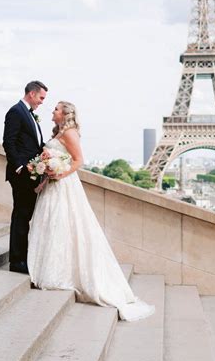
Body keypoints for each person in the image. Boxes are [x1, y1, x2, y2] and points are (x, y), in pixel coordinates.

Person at [28, 101, 155, 321]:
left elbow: (78, 161)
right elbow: (59, 159)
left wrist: (60, 174)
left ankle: (60, 273)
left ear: (65, 113)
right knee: (53, 226)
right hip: (52, 186)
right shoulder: (59, 132)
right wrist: (45, 177)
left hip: (64, 185)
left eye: (56, 109)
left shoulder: (70, 133)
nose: (53, 111)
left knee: (63, 225)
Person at [3, 81, 48, 274]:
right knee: (21, 216)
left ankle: (23, 257)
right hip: (22, 175)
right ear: (31, 94)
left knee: (25, 216)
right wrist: (21, 167)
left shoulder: (29, 114)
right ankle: (17, 261)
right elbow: (9, 142)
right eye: (41, 98)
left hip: (31, 174)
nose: (42, 102)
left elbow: (34, 143)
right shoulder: (16, 112)